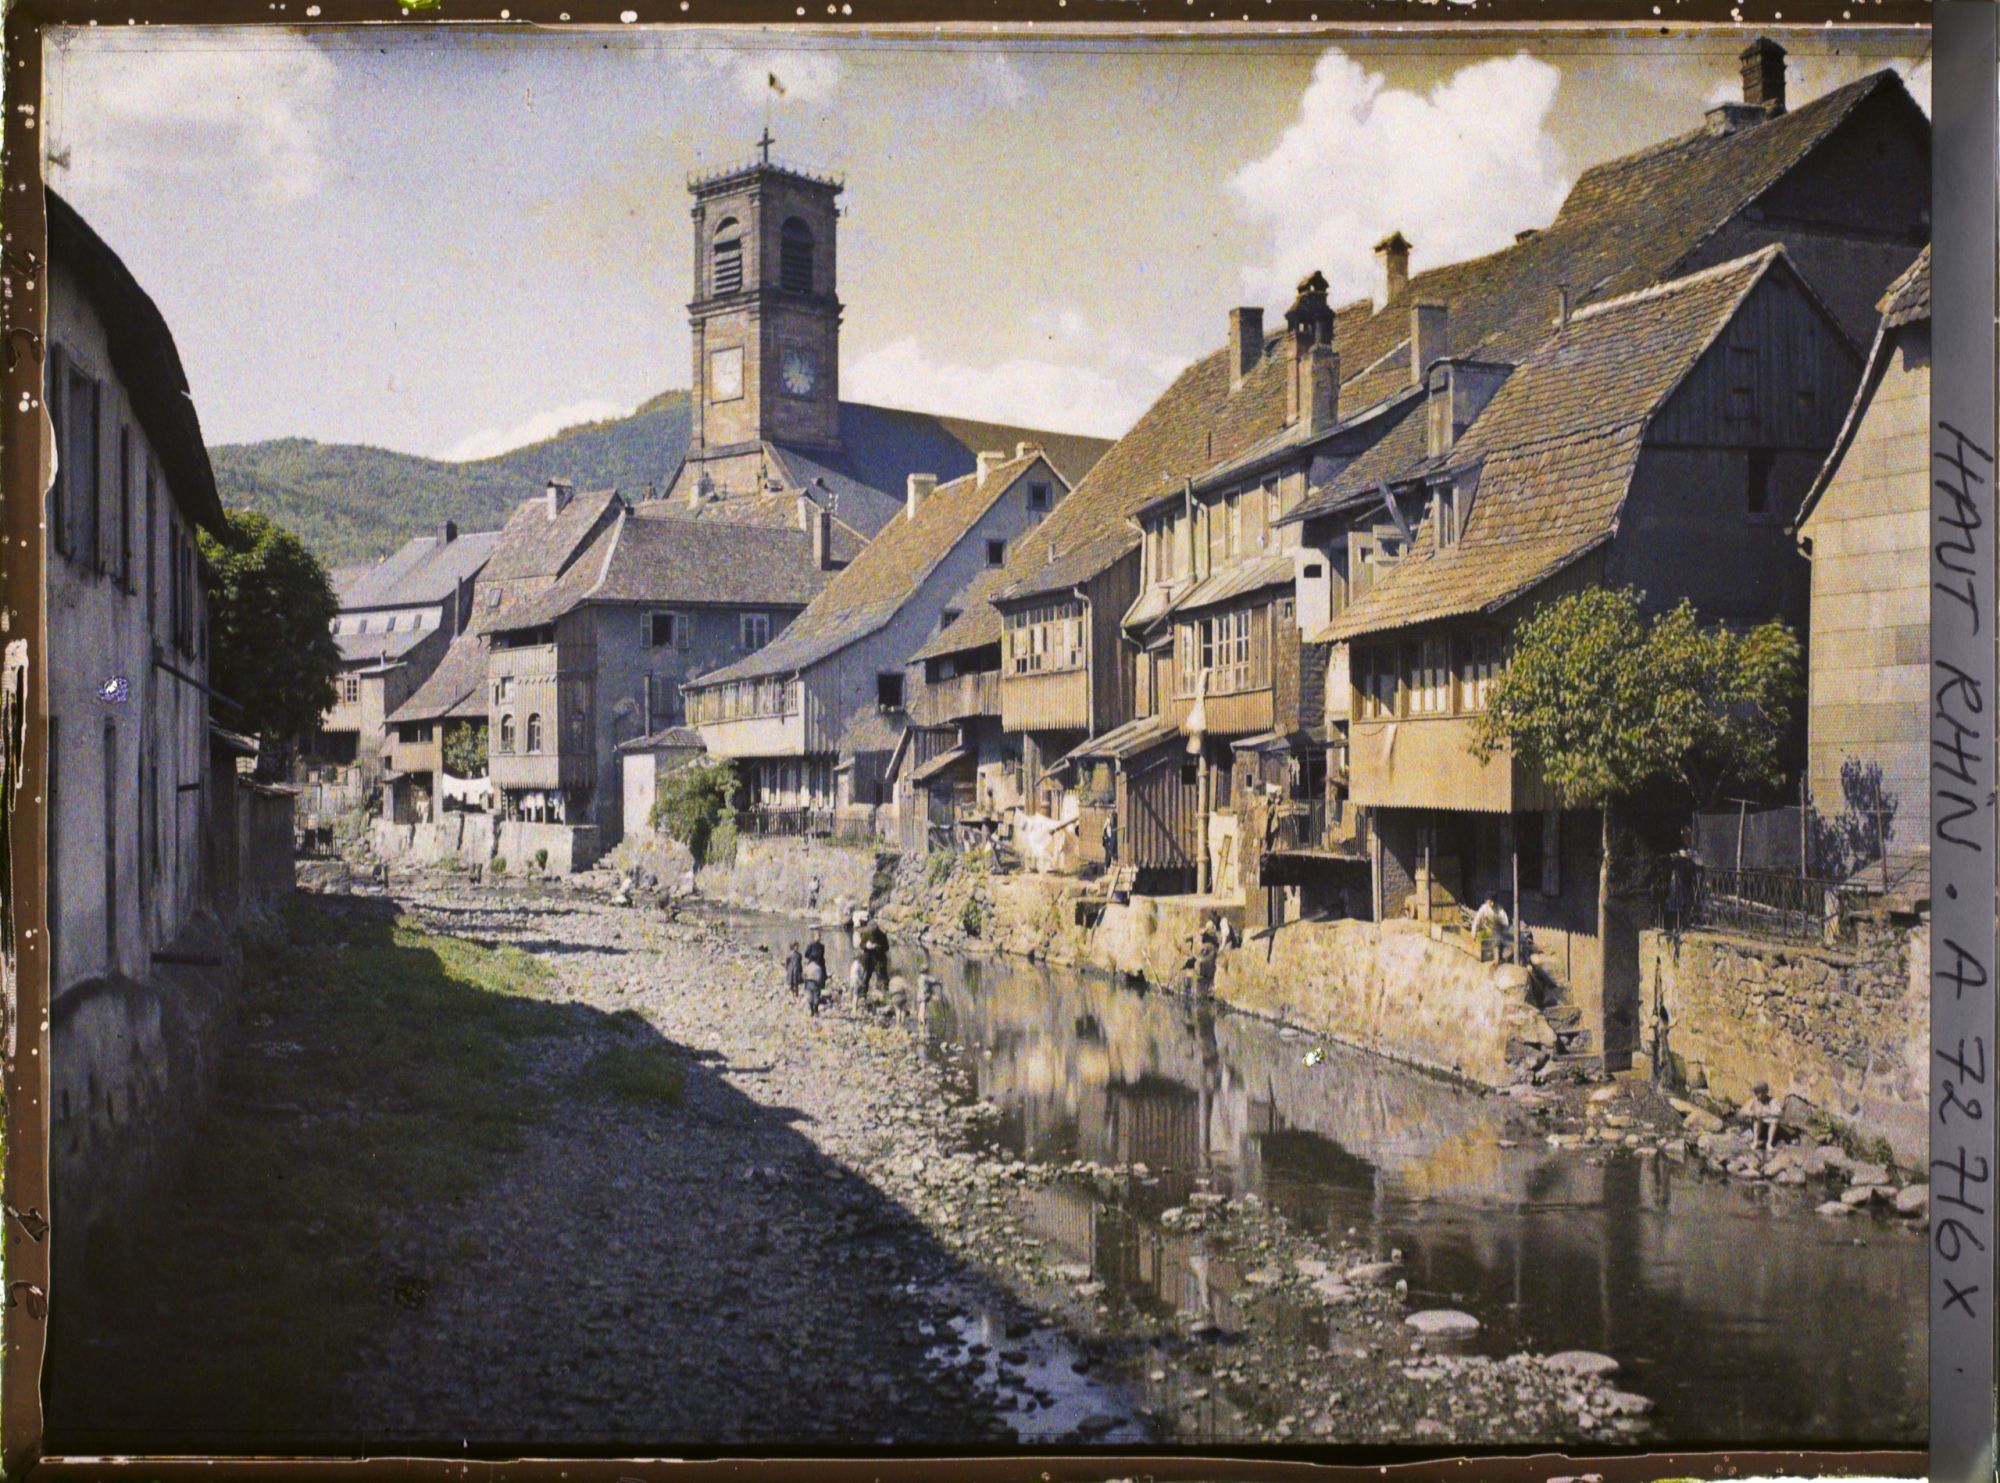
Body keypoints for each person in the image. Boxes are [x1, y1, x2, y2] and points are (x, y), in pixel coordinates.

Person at [1740, 1081, 1784, 1154]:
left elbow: (1779, 1113)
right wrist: (1751, 1113)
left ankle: (1769, 1143)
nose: (1758, 1095)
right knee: (1757, 1119)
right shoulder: (1754, 1100)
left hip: (1769, 1123)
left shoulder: (1772, 1101)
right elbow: (1742, 1111)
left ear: (1765, 1092)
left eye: (1759, 1093)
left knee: (1775, 1121)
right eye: (1756, 1093)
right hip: (1757, 1124)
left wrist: (1765, 1114)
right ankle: (1755, 1142)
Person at [1470, 896, 1511, 961]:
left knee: (1498, 943)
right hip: (1487, 931)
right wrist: (1474, 932)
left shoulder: (1499, 909)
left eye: (1492, 902)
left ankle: (1498, 958)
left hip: (1497, 933)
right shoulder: (1484, 908)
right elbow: (1476, 921)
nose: (1491, 903)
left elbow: (1505, 922)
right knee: (1484, 941)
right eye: (1489, 901)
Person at [860, 919, 890, 995]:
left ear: (877, 928)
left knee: (883, 978)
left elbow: (886, 947)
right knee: (866, 978)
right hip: (868, 959)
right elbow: (861, 945)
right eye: (871, 930)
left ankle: (885, 993)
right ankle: (864, 995)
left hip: (879, 959)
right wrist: (866, 946)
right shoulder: (866, 933)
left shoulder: (882, 935)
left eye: (874, 930)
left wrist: (877, 947)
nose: (873, 932)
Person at [803, 938, 828, 1017]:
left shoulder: (808, 966)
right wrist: (821, 983)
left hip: (808, 983)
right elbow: (820, 976)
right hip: (816, 983)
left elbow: (804, 974)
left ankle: (812, 1010)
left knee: (810, 996)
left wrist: (805, 981)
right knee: (816, 996)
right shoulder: (818, 967)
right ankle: (816, 1010)